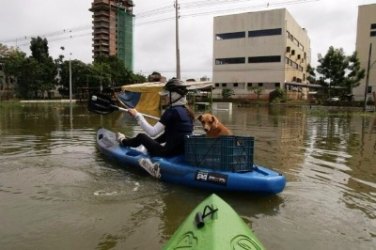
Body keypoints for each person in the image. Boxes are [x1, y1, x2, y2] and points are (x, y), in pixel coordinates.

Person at [116, 78, 194, 157]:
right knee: (160, 135)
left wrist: (137, 115)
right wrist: (150, 142)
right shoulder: (188, 112)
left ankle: (123, 141)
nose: (164, 98)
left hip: (166, 153)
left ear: (174, 95)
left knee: (141, 136)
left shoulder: (171, 111)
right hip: (181, 153)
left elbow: (152, 132)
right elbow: (170, 135)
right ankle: (134, 141)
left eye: (166, 95)